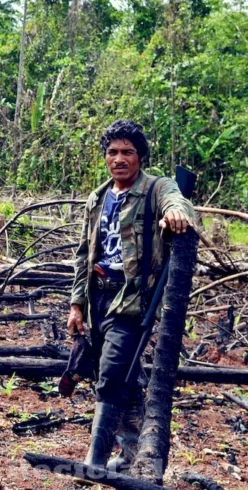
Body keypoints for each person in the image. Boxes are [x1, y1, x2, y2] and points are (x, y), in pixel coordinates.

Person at [68, 120, 194, 472]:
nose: (119, 159)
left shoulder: (155, 188)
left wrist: (175, 213)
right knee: (114, 374)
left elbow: (177, 200)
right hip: (98, 299)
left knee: (111, 375)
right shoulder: (98, 196)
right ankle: (130, 449)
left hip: (132, 300)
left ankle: (94, 461)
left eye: (127, 152)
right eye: (113, 152)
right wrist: (77, 303)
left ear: (140, 156)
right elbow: (83, 253)